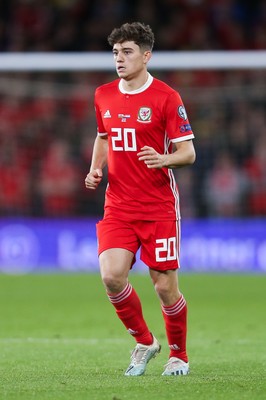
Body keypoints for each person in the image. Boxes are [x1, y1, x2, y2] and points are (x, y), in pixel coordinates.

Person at [85, 22, 196, 376]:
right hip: (118, 204)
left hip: (158, 206)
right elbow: (103, 136)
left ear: (146, 56)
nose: (120, 58)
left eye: (127, 51)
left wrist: (164, 159)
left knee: (164, 285)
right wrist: (95, 168)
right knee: (112, 276)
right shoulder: (103, 94)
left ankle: (178, 355)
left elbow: (188, 152)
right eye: (116, 52)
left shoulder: (166, 97)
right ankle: (146, 342)